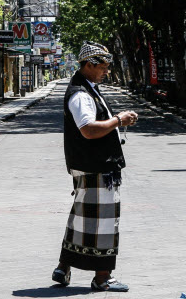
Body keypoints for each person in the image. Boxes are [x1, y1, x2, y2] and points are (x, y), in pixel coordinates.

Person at [52, 41, 138, 292]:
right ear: (89, 65)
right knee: (105, 221)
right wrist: (118, 120)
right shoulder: (80, 94)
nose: (106, 71)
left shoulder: (88, 88)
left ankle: (63, 267)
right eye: (103, 66)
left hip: (92, 165)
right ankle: (102, 277)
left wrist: (116, 122)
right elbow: (88, 130)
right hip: (96, 167)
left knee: (82, 217)